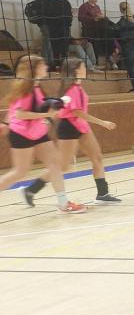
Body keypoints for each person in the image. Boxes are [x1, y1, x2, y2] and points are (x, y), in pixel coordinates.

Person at [22, 58, 123, 207]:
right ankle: (31, 189)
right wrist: (102, 122)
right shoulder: (72, 89)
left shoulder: (78, 86)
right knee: (63, 165)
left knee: (97, 157)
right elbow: (77, 112)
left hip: (82, 127)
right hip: (69, 127)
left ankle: (102, 193)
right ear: (76, 70)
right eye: (83, 67)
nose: (86, 69)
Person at [0, 55, 85, 214]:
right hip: (21, 133)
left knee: (55, 163)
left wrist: (53, 106)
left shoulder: (37, 87)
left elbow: (21, 109)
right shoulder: (26, 89)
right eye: (42, 64)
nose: (46, 66)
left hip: (38, 133)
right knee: (20, 172)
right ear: (34, 69)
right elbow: (19, 114)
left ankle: (63, 203)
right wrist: (45, 115)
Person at [24, 0, 73, 66]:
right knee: (64, 50)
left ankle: (55, 66)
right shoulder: (66, 2)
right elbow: (70, 18)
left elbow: (44, 17)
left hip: (53, 30)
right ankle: (64, 67)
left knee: (55, 50)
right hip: (65, 29)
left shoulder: (47, 3)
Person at [77, 0, 108, 66]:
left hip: (97, 30)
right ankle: (89, 64)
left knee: (97, 47)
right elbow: (80, 18)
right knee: (89, 47)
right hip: (88, 31)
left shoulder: (97, 7)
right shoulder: (84, 6)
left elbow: (99, 15)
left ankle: (95, 63)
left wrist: (101, 17)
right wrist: (93, 19)